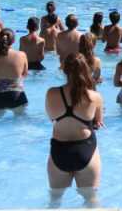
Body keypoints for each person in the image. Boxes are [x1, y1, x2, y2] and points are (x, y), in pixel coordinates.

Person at [46, 54, 104, 206]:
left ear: (64, 70)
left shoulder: (51, 93)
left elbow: (51, 118)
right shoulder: (95, 96)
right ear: (85, 70)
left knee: (54, 200)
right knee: (91, 200)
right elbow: (98, 122)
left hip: (59, 151)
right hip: (85, 151)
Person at [0, 29, 29, 111]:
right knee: (20, 121)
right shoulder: (21, 55)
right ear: (13, 41)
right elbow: (25, 74)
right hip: (16, 96)